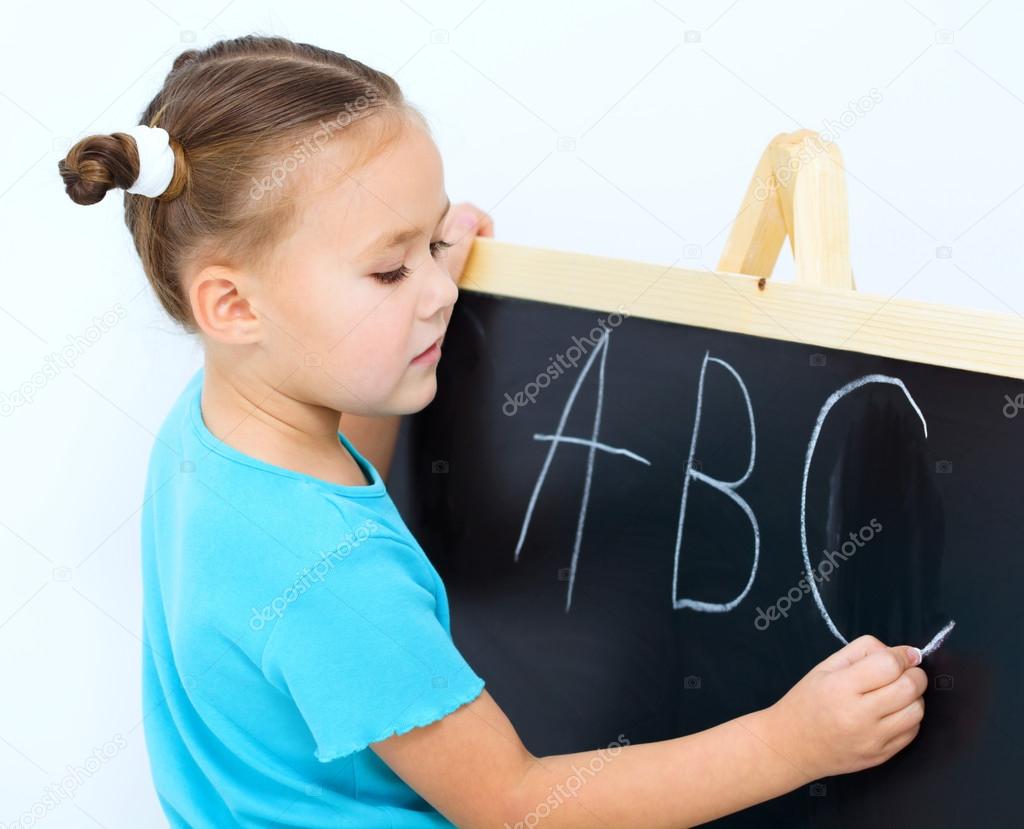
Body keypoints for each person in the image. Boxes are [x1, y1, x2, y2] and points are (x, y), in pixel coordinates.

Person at [58, 34, 928, 829]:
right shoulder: (337, 581)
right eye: (390, 267)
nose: (437, 289)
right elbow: (515, 804)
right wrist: (788, 745)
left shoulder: (206, 437)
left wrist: (424, 259)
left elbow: (348, 467)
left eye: (432, 240)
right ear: (234, 304)